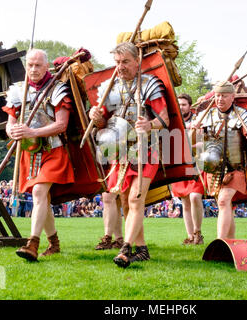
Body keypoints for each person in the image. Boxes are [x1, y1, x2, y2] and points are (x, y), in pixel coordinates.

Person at [89, 42, 169, 268]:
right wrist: (95, 116)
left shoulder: (150, 84)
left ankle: (126, 249)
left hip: (146, 149)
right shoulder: (109, 87)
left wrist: (150, 123)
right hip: (119, 151)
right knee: (126, 201)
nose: (120, 67)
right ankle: (142, 249)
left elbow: (165, 119)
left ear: (137, 61)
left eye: (125, 62)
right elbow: (103, 121)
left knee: (135, 199)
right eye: (117, 62)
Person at [3, 48, 75, 261]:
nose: (33, 69)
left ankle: (32, 243)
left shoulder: (57, 89)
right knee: (42, 197)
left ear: (46, 66)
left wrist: (32, 131)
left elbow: (61, 125)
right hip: (29, 152)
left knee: (38, 193)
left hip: (53, 150)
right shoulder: (18, 90)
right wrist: (13, 131)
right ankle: (54, 243)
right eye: (30, 65)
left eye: (38, 65)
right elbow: (11, 123)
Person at [193, 81, 247, 239]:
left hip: (235, 168)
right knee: (225, 205)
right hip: (214, 168)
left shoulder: (242, 114)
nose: (220, 99)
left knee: (224, 202)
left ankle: (220, 242)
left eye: (224, 96)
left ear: (233, 97)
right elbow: (197, 140)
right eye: (218, 96)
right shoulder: (206, 116)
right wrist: (194, 130)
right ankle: (231, 243)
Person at [170, 93, 205, 245]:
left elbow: (205, 143)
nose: (181, 107)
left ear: (190, 106)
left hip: (196, 164)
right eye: (179, 104)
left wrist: (189, 145)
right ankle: (190, 236)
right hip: (179, 164)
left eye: (184, 104)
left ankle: (198, 233)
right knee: (185, 201)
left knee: (195, 197)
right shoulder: (172, 121)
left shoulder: (199, 121)